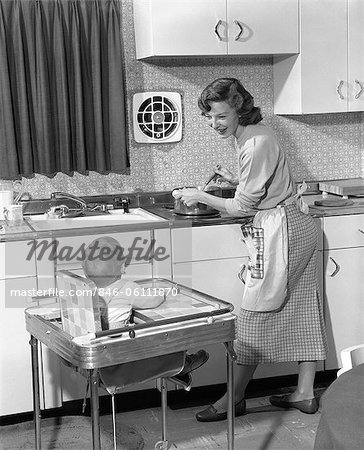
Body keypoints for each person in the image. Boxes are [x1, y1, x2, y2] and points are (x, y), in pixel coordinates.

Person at [173, 78, 327, 421]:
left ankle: (234, 398)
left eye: (221, 117)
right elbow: (264, 186)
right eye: (209, 117)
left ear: (240, 109)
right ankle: (304, 392)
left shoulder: (254, 142)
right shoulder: (254, 135)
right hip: (291, 226)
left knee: (254, 315)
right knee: (302, 307)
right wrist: (234, 180)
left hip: (283, 232)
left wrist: (199, 195)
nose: (214, 124)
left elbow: (243, 207)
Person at [82, 236, 209, 388]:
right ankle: (181, 364)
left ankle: (177, 368)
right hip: (119, 359)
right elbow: (151, 300)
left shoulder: (87, 289)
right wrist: (162, 292)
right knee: (163, 334)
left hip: (97, 358)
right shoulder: (125, 287)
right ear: (121, 267)